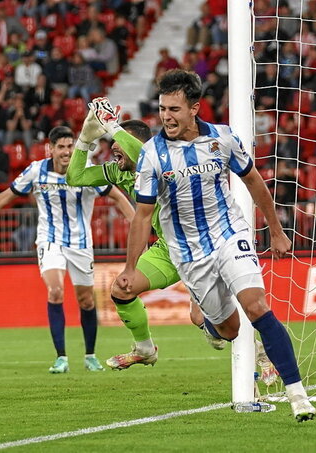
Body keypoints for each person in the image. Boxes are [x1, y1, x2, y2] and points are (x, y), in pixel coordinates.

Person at [116, 69, 316, 422]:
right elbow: (143, 215)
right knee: (229, 329)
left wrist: (276, 229)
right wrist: (131, 267)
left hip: (229, 234)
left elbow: (252, 179)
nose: (166, 116)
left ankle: (297, 395)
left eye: (174, 109)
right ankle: (209, 321)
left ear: (194, 108)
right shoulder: (151, 155)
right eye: (163, 108)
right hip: (189, 253)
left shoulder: (222, 139)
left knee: (256, 306)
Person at [0, 126, 134, 373]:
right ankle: (61, 358)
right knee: (56, 291)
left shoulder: (87, 170)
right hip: (49, 240)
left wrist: (138, 226)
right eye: (61, 147)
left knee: (85, 300)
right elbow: (5, 197)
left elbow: (118, 197)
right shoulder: (37, 170)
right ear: (51, 149)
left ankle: (90, 355)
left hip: (81, 242)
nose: (66, 151)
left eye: (70, 146)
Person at [66, 100, 226, 372]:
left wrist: (112, 127)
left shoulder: (159, 158)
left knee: (206, 321)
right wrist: (83, 140)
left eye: (118, 149)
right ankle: (144, 349)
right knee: (122, 289)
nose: (113, 154)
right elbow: (75, 176)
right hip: (168, 249)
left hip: (202, 245)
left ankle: (260, 354)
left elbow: (141, 154)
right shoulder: (119, 170)